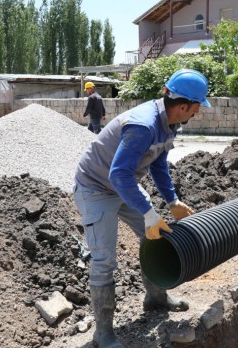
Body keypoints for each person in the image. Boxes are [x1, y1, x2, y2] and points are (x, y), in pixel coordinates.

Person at [73, 69, 210, 348]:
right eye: (197, 108)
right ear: (184, 106)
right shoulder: (144, 125)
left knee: (156, 235)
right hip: (96, 188)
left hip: (124, 185)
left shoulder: (168, 124)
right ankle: (103, 334)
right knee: (104, 261)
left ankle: (156, 297)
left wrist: (172, 202)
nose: (197, 114)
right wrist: (149, 211)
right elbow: (118, 175)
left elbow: (158, 163)